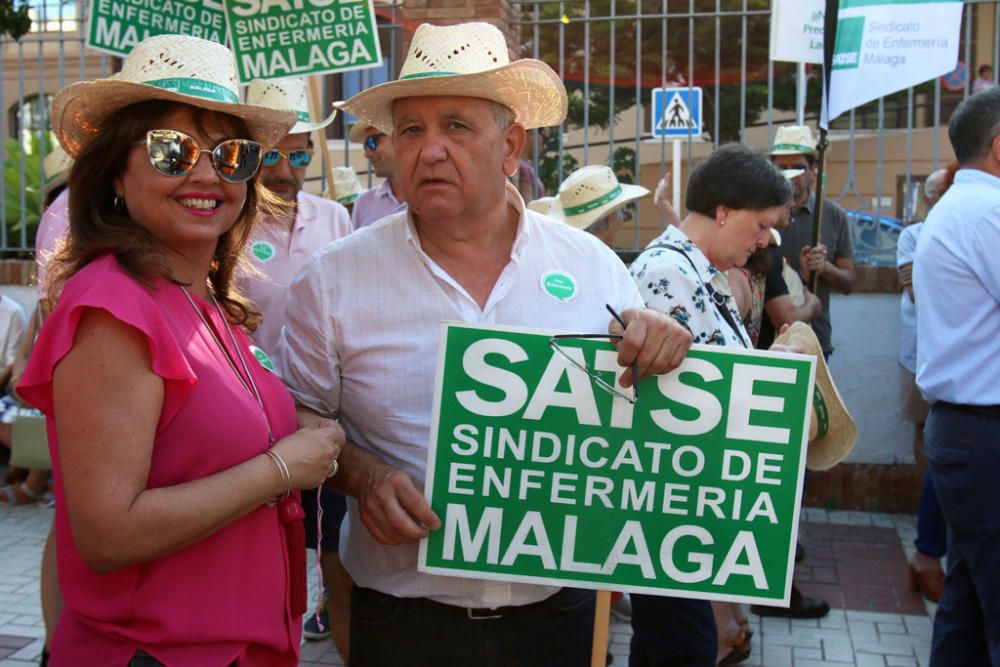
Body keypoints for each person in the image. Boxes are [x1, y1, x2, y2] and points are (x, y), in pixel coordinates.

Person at [275, 21, 692, 667]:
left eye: (456, 126)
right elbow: (297, 414)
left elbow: (635, 411)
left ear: (510, 145)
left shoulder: (593, 267)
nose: (430, 150)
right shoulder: (330, 282)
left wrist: (663, 349)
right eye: (411, 129)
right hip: (401, 619)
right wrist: (364, 475)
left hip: (562, 613)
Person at [16, 34, 344, 665]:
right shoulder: (114, 310)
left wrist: (294, 427)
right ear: (117, 170)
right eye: (173, 151)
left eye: (232, 154)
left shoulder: (198, 299)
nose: (205, 173)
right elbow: (107, 533)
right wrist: (282, 468)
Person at [630, 143, 793, 665]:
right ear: (723, 211)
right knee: (680, 647)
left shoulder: (699, 270)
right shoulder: (667, 272)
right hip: (663, 507)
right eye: (762, 224)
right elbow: (677, 399)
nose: (766, 239)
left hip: (685, 505)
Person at [242, 76, 356, 657]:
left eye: (299, 153)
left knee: (332, 536)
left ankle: (335, 628)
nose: (286, 170)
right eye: (270, 155)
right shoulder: (225, 221)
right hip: (248, 422)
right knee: (266, 539)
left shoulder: (336, 218)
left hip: (324, 415)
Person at [914, 86, 1000, 665]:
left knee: (967, 610)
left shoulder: (959, 207)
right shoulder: (988, 211)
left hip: (968, 433)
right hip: (984, 433)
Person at [896, 166, 953, 603]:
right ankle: (928, 533)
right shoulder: (915, 236)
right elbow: (917, 292)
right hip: (924, 356)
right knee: (931, 440)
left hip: (949, 359)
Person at [770, 125, 856, 359]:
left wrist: (824, 268)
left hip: (814, 339)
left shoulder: (831, 215)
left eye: (797, 167)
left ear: (813, 170)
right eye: (781, 168)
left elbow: (849, 282)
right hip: (767, 340)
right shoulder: (762, 214)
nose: (789, 174)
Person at [549, 165, 649, 248]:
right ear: (611, 219)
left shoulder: (561, 254)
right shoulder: (608, 264)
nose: (621, 223)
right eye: (623, 214)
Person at [348, 121, 407, 229]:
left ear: (399, 137)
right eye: (365, 146)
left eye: (372, 142)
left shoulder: (436, 197)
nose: (367, 153)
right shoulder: (364, 203)